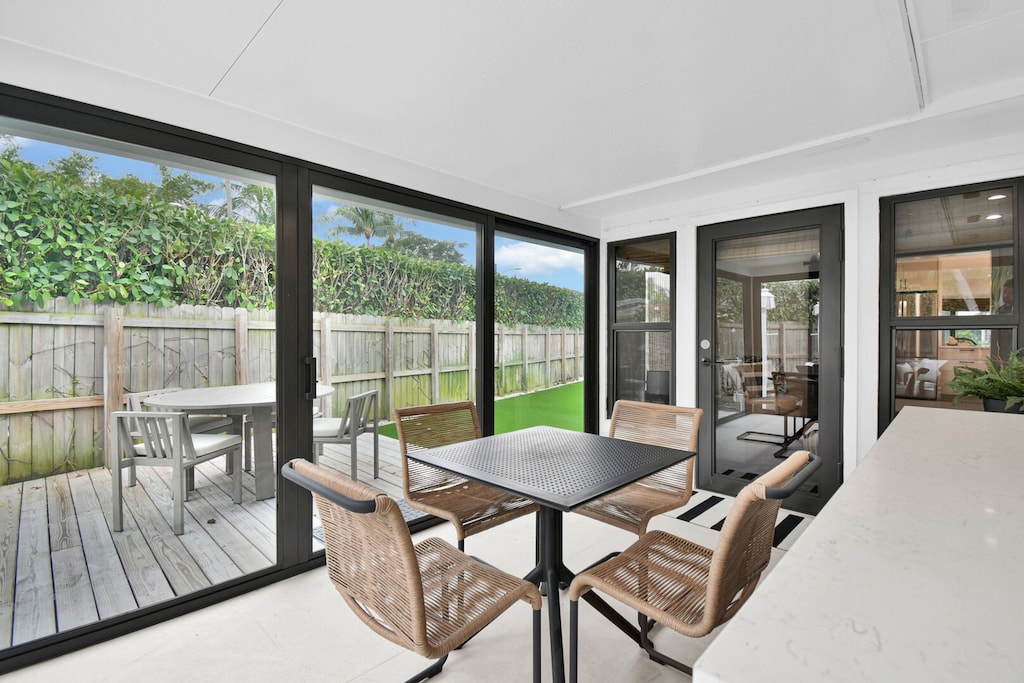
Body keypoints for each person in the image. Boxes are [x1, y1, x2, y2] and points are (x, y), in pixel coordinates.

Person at [991, 279, 1014, 361]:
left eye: (1011, 293)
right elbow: (994, 338)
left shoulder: (1019, 311)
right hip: (1003, 356)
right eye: (1004, 292)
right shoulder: (999, 311)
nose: (1006, 295)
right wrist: (994, 358)